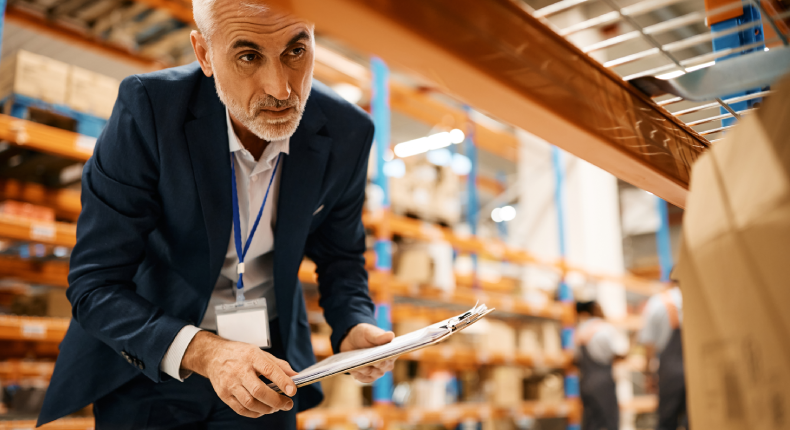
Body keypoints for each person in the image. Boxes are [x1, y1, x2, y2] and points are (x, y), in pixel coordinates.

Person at [37, 1, 395, 428]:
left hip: (270, 369)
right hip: (154, 364)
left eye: (296, 52)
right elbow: (94, 285)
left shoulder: (347, 132)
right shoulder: (149, 111)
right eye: (248, 57)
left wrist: (353, 324)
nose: (281, 89)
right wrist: (206, 351)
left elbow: (342, 259)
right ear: (204, 53)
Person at [640, 280, 687, 430]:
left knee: (667, 420)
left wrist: (649, 374)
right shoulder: (694, 298)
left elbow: (649, 345)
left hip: (670, 372)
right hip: (697, 369)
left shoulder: (657, 303)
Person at [575, 301, 629, 430]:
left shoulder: (579, 331)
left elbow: (574, 358)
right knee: (610, 421)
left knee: (591, 422)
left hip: (585, 382)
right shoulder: (604, 328)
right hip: (603, 380)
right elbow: (619, 352)